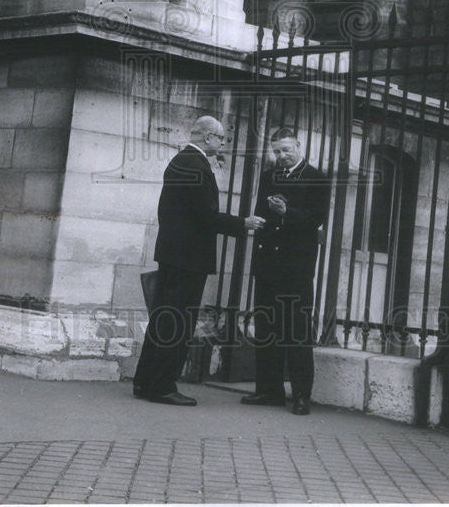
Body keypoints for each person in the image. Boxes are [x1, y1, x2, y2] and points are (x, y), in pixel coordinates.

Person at [132, 116, 265, 405]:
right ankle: (163, 387)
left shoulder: (180, 160)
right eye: (221, 139)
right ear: (207, 137)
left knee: (162, 320)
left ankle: (145, 382)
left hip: (172, 254)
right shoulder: (198, 165)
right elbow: (206, 216)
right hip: (188, 259)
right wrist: (243, 223)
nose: (223, 144)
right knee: (178, 322)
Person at [242, 128, 329, 415]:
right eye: (277, 151)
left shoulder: (316, 177)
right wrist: (258, 219)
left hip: (296, 268)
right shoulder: (268, 177)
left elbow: (317, 218)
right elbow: (261, 213)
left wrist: (286, 213)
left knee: (297, 332)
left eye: (286, 150)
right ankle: (269, 390)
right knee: (267, 328)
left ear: (298, 147)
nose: (281, 156)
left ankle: (301, 395)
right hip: (268, 264)